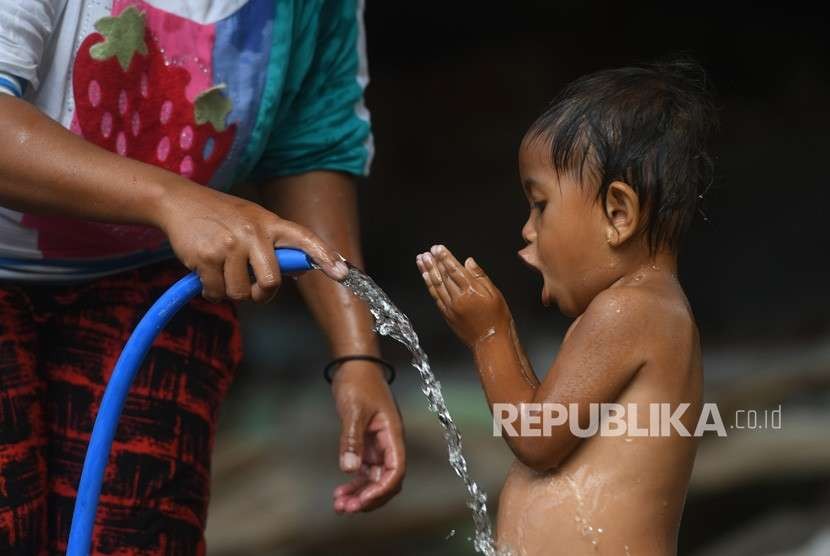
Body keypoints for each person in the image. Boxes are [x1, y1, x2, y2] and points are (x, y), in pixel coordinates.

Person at [0, 1, 405, 554]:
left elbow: (309, 141)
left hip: (153, 278)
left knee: (139, 534)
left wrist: (358, 358)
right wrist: (172, 198)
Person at [417, 60, 715, 555]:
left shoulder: (633, 310)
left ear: (618, 214)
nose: (528, 230)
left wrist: (489, 335)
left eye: (540, 205)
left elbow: (538, 438)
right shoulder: (644, 311)